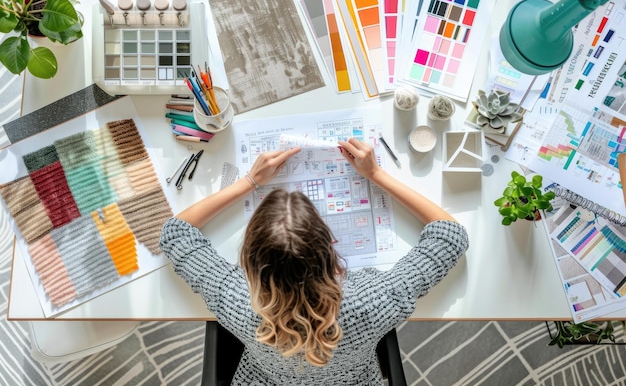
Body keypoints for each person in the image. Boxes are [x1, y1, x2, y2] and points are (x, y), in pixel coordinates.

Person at [160, 138, 468, 385]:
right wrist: (375, 174)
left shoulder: (237, 299)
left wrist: (250, 180)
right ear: (331, 252)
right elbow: (450, 237)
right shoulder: (372, 302)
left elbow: (175, 233)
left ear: (249, 262)